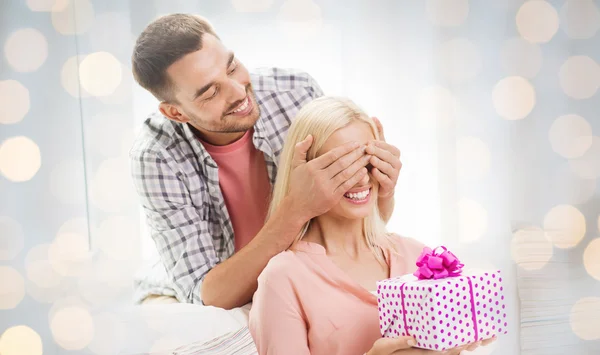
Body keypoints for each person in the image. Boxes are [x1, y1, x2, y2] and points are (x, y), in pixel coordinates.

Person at [129, 14, 403, 308]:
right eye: (210, 92)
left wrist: (383, 188)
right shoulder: (156, 155)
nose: (238, 92)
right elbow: (207, 296)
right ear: (176, 113)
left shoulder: (296, 92)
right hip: (203, 288)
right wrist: (294, 211)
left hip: (296, 266)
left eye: (232, 67)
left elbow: (351, 226)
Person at [249, 96, 493, 355]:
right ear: (306, 176)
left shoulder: (418, 256)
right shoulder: (284, 277)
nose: (363, 177)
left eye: (369, 159)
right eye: (342, 165)